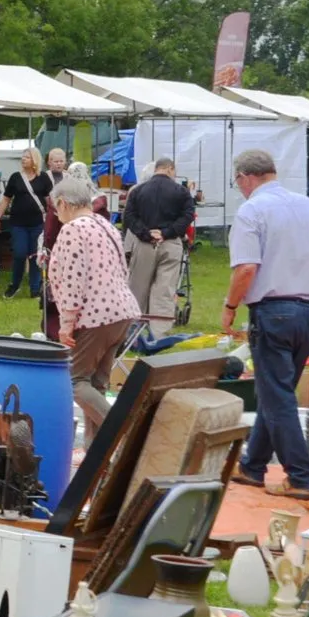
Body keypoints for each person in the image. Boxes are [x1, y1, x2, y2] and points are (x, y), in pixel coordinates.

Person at [222, 149, 309, 500]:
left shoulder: (252, 209)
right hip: (307, 309)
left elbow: (246, 268)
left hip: (274, 310)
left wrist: (229, 306)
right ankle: (253, 466)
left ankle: (300, 475)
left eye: (237, 182)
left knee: (278, 396)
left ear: (245, 177)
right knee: (276, 392)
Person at [48, 173, 140, 430]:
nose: (57, 215)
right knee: (97, 386)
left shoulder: (72, 229)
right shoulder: (106, 225)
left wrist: (66, 324)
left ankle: (121, 429)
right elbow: (123, 268)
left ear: (64, 203)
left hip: (96, 315)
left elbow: (73, 280)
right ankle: (97, 457)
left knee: (74, 382)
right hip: (122, 311)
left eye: (56, 208)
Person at [123, 157, 196, 337]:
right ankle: (159, 332)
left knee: (138, 287)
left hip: (144, 244)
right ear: (170, 169)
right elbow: (188, 216)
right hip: (171, 244)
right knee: (164, 288)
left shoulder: (138, 191)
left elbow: (129, 217)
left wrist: (146, 233)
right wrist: (167, 232)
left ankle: (134, 330)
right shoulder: (181, 192)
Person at [0, 146, 51, 299]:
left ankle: (35, 288)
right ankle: (15, 284)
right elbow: (6, 198)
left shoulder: (43, 178)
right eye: (23, 157)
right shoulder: (16, 177)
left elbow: (49, 200)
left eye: (27, 157)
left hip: (38, 223)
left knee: (35, 255)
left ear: (34, 160)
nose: (23, 159)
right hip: (18, 223)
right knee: (19, 253)